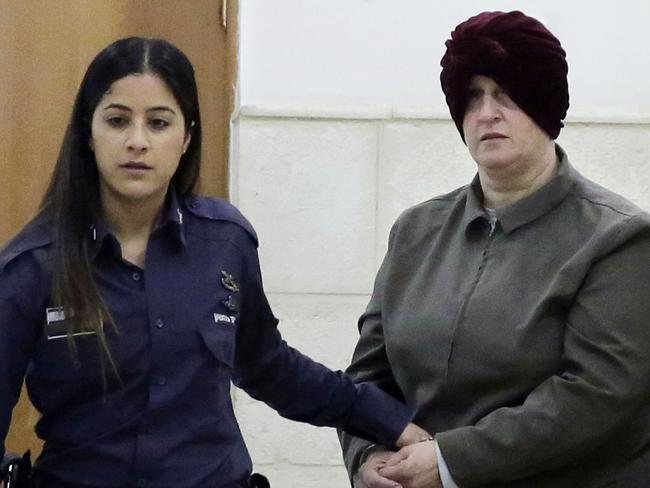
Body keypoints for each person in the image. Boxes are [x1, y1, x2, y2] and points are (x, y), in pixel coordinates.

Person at [0, 37, 427, 488]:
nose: (137, 141)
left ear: (186, 137)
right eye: (118, 120)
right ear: (89, 133)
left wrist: (389, 422)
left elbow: (271, 368)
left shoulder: (224, 242)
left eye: (159, 122)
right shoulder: (32, 265)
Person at [339, 10, 650, 488]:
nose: (487, 114)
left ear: (546, 107)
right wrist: (370, 457)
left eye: (507, 95)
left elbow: (594, 395)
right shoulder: (416, 231)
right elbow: (368, 375)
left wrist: (449, 461)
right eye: (473, 97)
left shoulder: (618, 238)